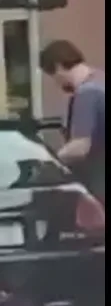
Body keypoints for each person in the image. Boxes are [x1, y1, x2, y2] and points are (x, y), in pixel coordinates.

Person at [39, 40, 105, 204]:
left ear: (59, 67)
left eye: (53, 75)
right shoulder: (101, 79)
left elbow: (80, 146)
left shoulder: (87, 93)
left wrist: (50, 162)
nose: (56, 82)